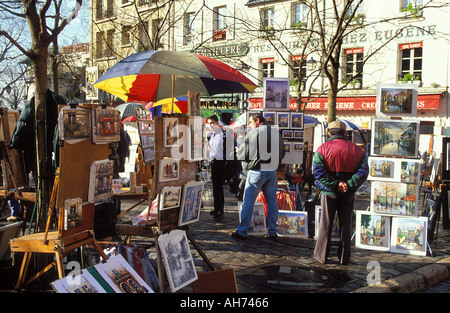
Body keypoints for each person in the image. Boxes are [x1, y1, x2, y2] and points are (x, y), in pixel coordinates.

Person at [312, 120, 369, 265]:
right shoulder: (357, 150)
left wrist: (335, 184)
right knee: (346, 224)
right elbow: (363, 171)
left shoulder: (322, 149)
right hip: (348, 192)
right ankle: (344, 257)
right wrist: (348, 184)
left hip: (329, 191)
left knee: (325, 223)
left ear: (329, 133)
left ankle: (321, 256)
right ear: (345, 133)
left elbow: (318, 172)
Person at [232, 112, 285, 240]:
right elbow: (282, 152)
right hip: (271, 171)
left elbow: (243, 155)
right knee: (272, 203)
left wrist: (239, 152)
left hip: (256, 171)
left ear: (256, 120)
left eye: (250, 122)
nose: (249, 125)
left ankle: (242, 231)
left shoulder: (253, 133)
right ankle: (273, 232)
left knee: (248, 202)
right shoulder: (275, 133)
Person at [206, 115, 231, 218]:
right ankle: (217, 208)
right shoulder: (210, 135)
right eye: (209, 123)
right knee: (215, 186)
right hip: (213, 161)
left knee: (219, 186)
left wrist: (226, 160)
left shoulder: (224, 135)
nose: (211, 125)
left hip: (221, 162)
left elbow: (230, 148)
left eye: (212, 122)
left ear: (217, 123)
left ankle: (219, 209)